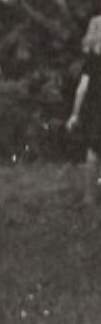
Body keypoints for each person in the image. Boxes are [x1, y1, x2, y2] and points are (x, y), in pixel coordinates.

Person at [69, 14, 101, 207]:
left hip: (96, 110)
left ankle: (90, 197)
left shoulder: (92, 61)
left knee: (93, 151)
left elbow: (82, 88)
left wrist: (74, 114)